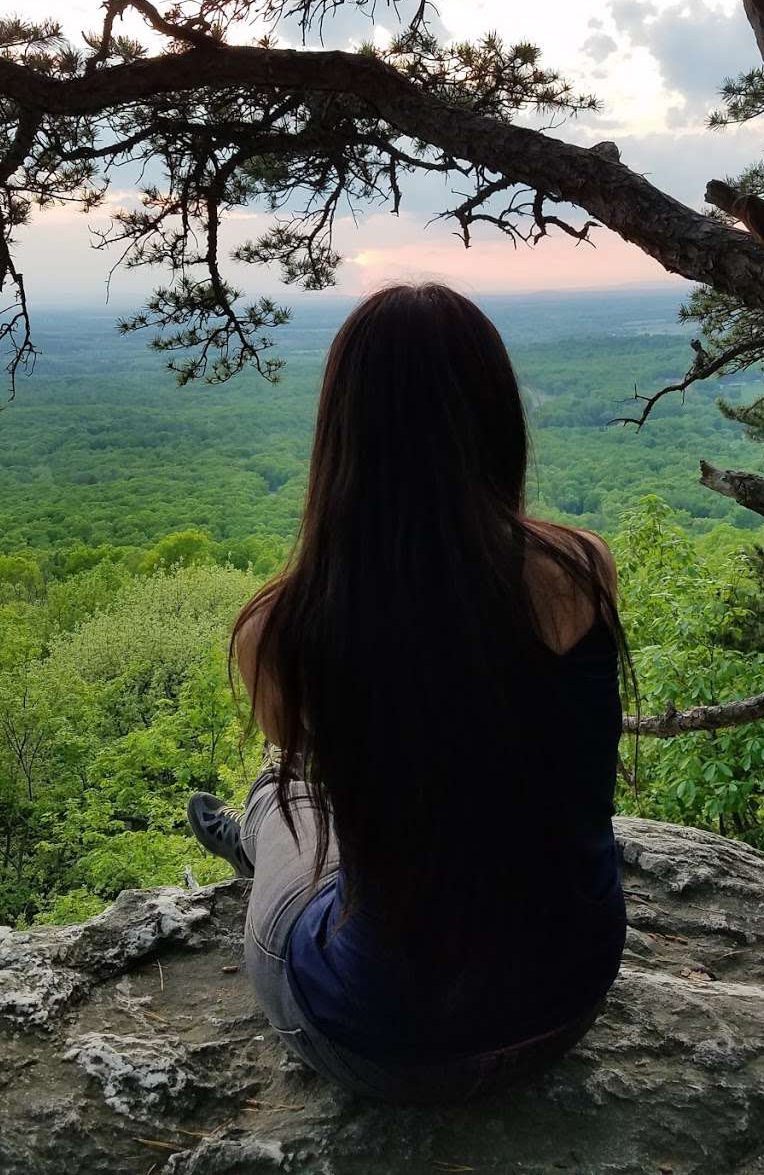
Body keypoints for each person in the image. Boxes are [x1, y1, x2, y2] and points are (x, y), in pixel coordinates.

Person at [187, 281, 637, 1105]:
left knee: (285, 786)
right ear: (496, 415)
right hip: (569, 998)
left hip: (384, 1037)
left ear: (341, 434)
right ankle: (258, 827)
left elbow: (300, 741)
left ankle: (251, 829)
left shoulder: (283, 627)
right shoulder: (581, 568)